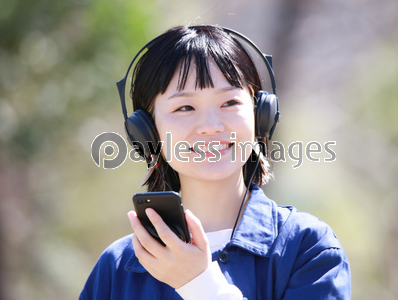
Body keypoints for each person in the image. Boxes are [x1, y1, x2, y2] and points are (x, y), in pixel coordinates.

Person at [80, 25, 351, 300]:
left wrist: (199, 284)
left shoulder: (307, 249)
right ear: (147, 131)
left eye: (229, 102)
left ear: (261, 115)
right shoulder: (116, 269)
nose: (210, 126)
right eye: (184, 107)